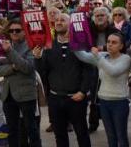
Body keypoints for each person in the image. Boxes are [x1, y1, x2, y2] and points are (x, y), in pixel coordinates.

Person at [34, 13, 94, 147]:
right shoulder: (48, 46)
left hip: (76, 98)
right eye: (57, 20)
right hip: (55, 98)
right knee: (59, 135)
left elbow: (88, 70)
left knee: (82, 133)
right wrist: (37, 58)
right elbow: (42, 71)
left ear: (71, 24)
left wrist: (83, 91)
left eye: (63, 20)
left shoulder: (80, 44)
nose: (59, 22)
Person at [75, 33, 131, 147]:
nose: (110, 45)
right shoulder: (104, 56)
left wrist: (98, 57)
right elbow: (83, 56)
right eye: (108, 42)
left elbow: (113, 71)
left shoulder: (126, 59)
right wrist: (74, 40)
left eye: (114, 42)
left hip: (119, 102)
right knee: (110, 135)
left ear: (121, 46)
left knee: (121, 136)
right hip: (104, 102)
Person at [0, 21, 42, 147]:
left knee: (31, 130)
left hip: (26, 94)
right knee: (12, 131)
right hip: (8, 94)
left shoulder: (31, 45)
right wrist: (13, 68)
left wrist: (10, 51)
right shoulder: (2, 46)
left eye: (17, 30)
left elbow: (27, 68)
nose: (14, 33)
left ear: (24, 31)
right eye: (11, 31)